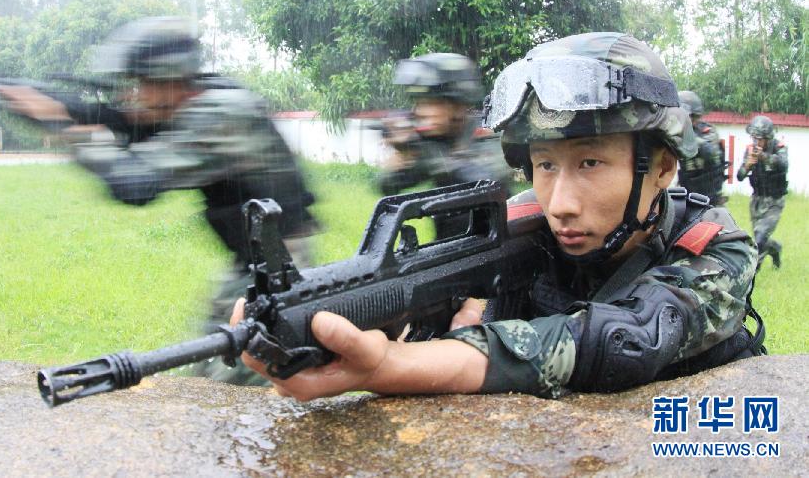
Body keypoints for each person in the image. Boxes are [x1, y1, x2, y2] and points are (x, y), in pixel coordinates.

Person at [233, 32, 763, 400]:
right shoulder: (524, 223)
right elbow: (440, 280)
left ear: (663, 166)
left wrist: (396, 367)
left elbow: (626, 340)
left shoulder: (715, 246)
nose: (560, 202)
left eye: (591, 162)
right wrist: (349, 313)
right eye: (544, 165)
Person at [0, 16, 317, 385]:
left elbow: (135, 184)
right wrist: (77, 110)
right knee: (218, 361)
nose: (134, 95)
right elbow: (133, 123)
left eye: (142, 84)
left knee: (239, 380)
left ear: (170, 81)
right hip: (256, 263)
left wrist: (60, 123)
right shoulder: (200, 101)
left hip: (279, 269)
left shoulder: (221, 114)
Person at [379, 52, 520, 238]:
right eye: (417, 103)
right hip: (448, 248)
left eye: (429, 103)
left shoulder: (486, 134)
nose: (418, 112)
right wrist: (403, 157)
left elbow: (487, 184)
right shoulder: (432, 143)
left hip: (494, 246)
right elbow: (388, 187)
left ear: (457, 105)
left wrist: (436, 159)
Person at [737, 115, 788, 269]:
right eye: (754, 138)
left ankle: (752, 272)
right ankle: (775, 248)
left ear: (768, 138)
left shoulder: (779, 147)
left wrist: (763, 157)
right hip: (757, 201)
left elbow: (783, 164)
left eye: (760, 139)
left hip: (774, 202)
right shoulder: (750, 151)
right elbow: (739, 176)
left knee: (759, 239)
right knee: (761, 239)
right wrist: (747, 166)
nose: (756, 142)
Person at [676, 90, 727, 205]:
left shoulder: (707, 131)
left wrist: (687, 137)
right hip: (688, 196)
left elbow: (711, 153)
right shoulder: (676, 133)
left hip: (711, 198)